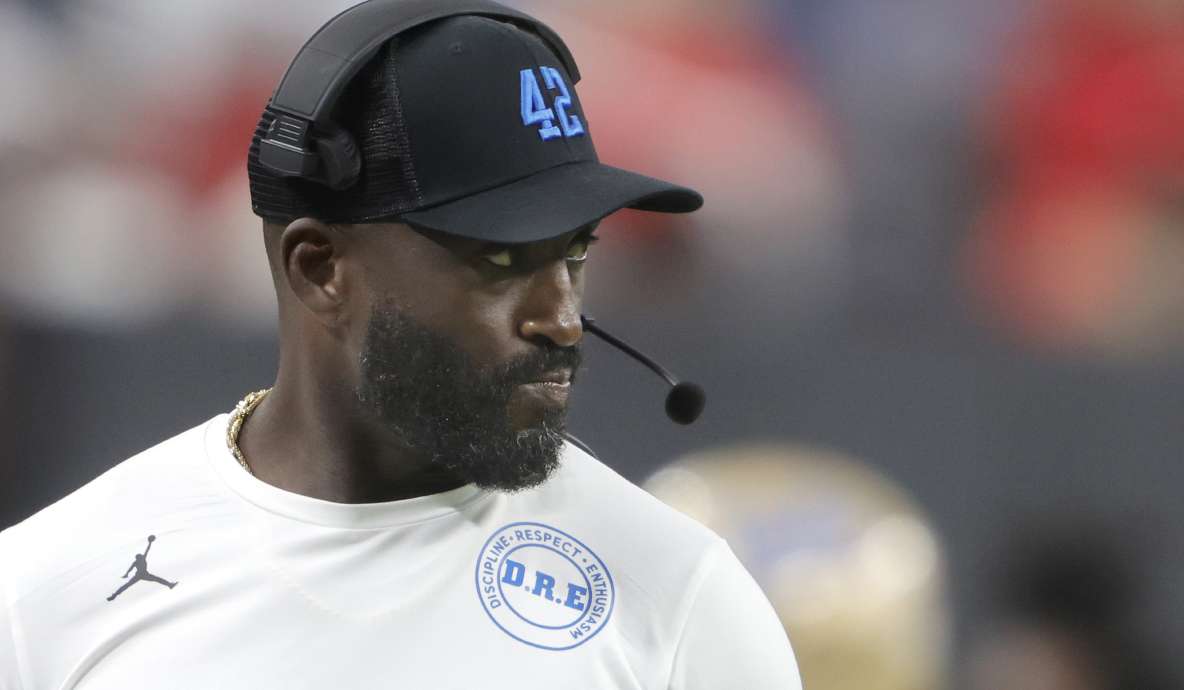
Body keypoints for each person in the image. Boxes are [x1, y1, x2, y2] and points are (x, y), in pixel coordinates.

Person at [0, 2, 801, 688]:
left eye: (575, 253)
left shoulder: (680, 599)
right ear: (319, 270)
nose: (560, 319)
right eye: (499, 261)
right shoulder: (45, 592)